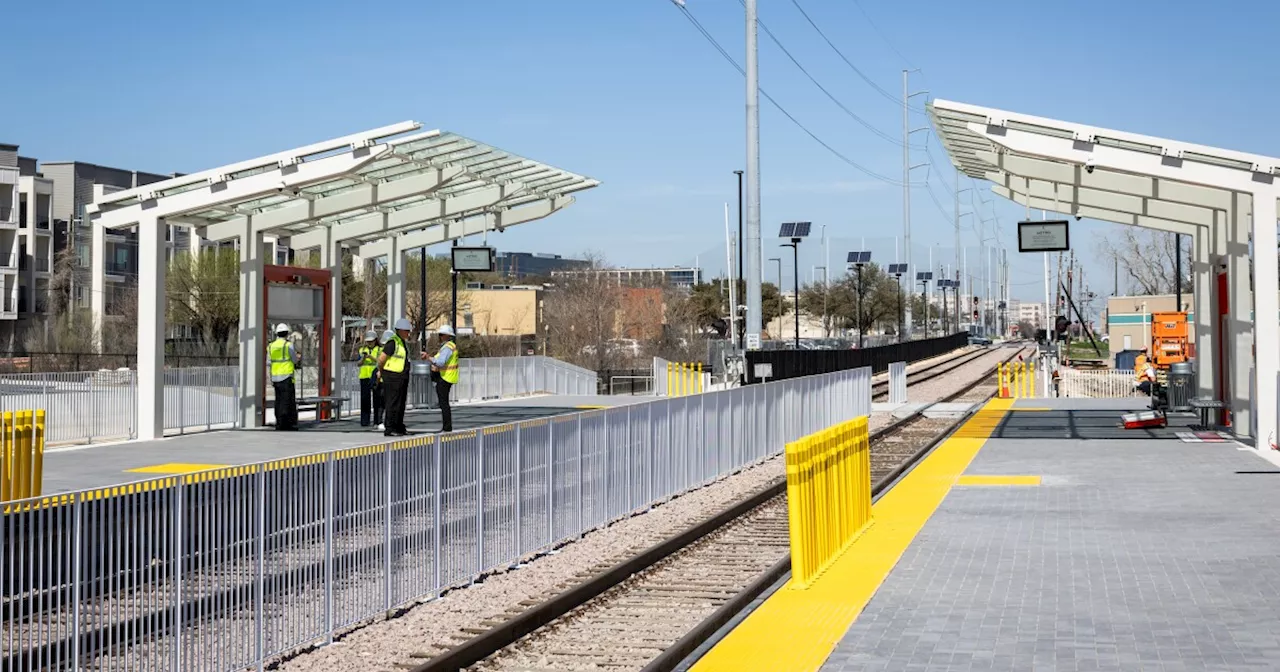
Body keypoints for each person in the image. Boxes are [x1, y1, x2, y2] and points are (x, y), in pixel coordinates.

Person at [377, 318, 412, 437]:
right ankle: (390, 428)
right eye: (407, 331)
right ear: (400, 330)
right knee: (392, 403)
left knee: (401, 403)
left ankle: (398, 426)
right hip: (392, 377)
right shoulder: (392, 342)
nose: (408, 333)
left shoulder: (402, 342)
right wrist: (381, 371)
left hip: (401, 377)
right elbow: (382, 359)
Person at [424, 325, 459, 433]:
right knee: (444, 403)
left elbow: (440, 362)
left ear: (446, 336)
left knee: (443, 403)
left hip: (445, 377)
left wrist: (428, 357)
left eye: (441, 334)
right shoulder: (449, 346)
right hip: (447, 376)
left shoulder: (448, 347)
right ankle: (446, 426)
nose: (439, 336)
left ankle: (447, 427)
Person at [267, 323, 301, 430]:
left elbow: (268, 362)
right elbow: (294, 359)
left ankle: (279, 423)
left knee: (278, 401)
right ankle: (288, 424)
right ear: (286, 333)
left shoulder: (271, 346)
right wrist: (297, 357)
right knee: (288, 402)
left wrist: (270, 377)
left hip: (275, 378)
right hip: (287, 377)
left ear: (277, 333)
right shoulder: (288, 345)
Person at [357, 330, 383, 427]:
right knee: (364, 400)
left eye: (371, 341)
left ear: (375, 340)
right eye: (368, 341)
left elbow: (380, 361)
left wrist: (371, 357)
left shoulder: (380, 350)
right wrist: (363, 358)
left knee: (377, 399)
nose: (369, 343)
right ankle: (364, 421)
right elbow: (358, 364)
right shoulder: (361, 350)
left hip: (375, 377)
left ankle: (377, 421)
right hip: (364, 376)